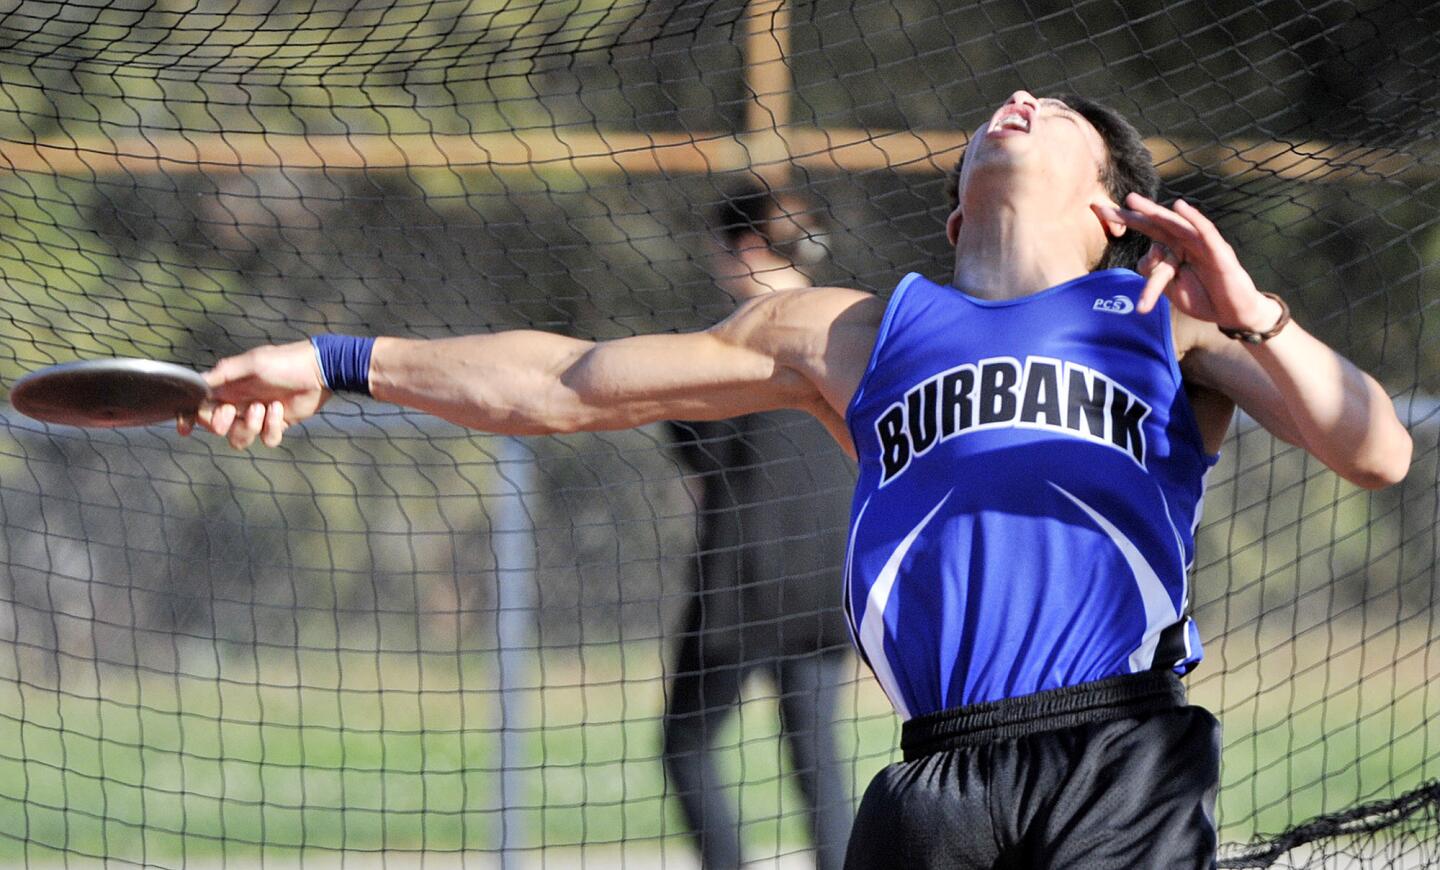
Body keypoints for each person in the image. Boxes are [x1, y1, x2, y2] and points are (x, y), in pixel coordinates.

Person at [183, 91, 1412, 868]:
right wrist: (335, 360)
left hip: (1119, 754)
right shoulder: (857, 332)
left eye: (1052, 106)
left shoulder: (1166, 318)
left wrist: (1255, 314)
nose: (1015, 100)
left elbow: (1376, 450)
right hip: (936, 778)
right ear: (949, 221)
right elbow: (568, 380)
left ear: (1113, 204)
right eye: (1001, 105)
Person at [662, 184, 853, 870]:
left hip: (744, 585)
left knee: (685, 745)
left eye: (719, 248)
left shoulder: (726, 342)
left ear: (744, 247)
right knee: (816, 757)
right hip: (831, 579)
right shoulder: (851, 329)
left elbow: (700, 459)